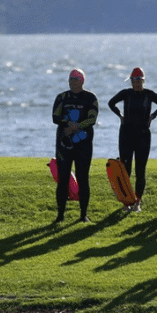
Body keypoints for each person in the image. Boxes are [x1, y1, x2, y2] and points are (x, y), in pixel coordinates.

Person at [107, 67, 157, 211]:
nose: (137, 84)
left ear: (143, 81)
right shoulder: (126, 93)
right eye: (134, 81)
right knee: (125, 170)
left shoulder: (149, 94)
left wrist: (153, 116)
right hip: (126, 134)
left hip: (143, 135)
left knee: (140, 170)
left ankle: (137, 202)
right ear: (131, 81)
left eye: (139, 81)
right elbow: (111, 103)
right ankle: (127, 201)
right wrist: (120, 115)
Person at [52, 68, 99, 224]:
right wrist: (68, 123)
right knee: (63, 179)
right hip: (64, 144)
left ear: (82, 81)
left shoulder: (90, 98)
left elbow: (92, 119)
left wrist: (76, 126)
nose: (72, 82)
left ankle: (83, 215)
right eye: (70, 79)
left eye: (76, 79)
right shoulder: (62, 97)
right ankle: (60, 216)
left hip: (83, 144)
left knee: (83, 178)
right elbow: (55, 117)